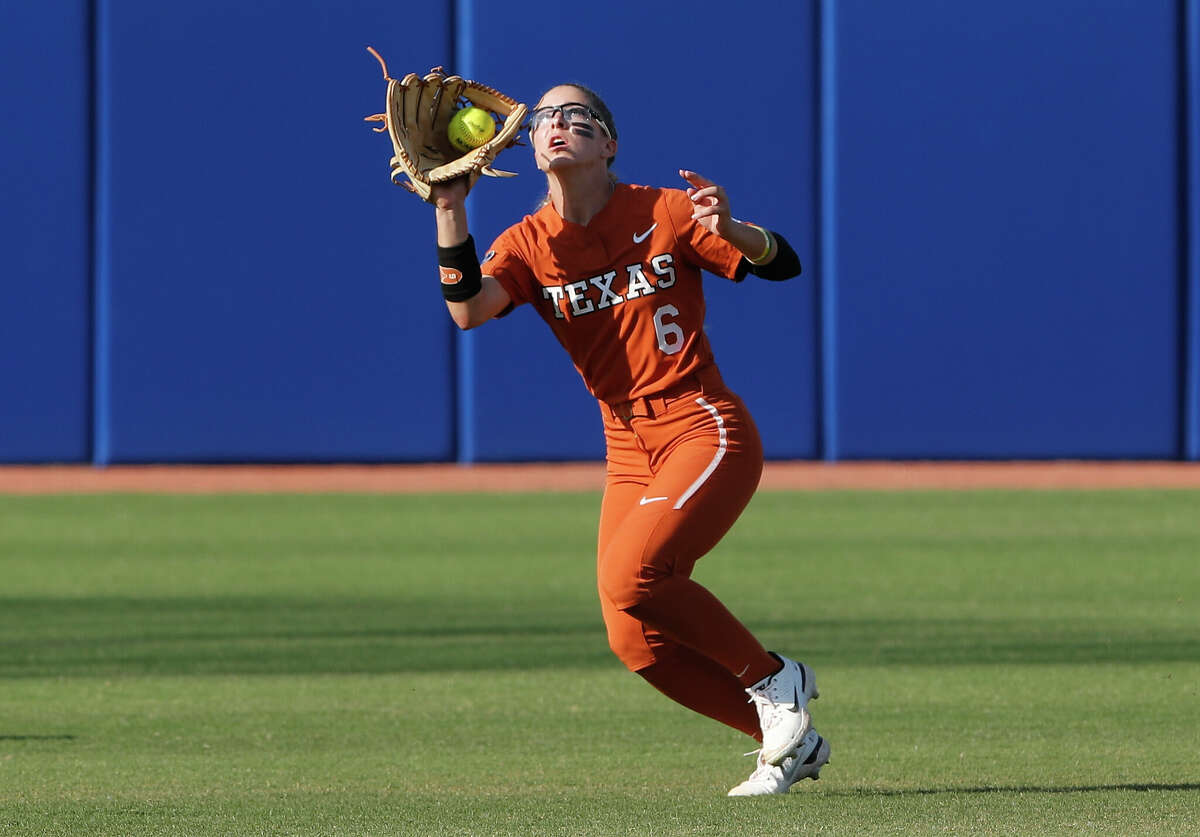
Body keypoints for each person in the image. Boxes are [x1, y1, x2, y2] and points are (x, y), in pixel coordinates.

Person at [428, 82, 827, 796]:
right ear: (529, 143)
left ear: (608, 145)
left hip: (701, 422)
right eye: (546, 118)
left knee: (630, 577)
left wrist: (734, 230)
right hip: (625, 444)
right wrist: (450, 210)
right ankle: (783, 739)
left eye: (577, 118)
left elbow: (784, 262)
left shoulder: (665, 210)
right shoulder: (527, 241)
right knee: (632, 637)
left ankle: (774, 677)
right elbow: (467, 310)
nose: (558, 126)